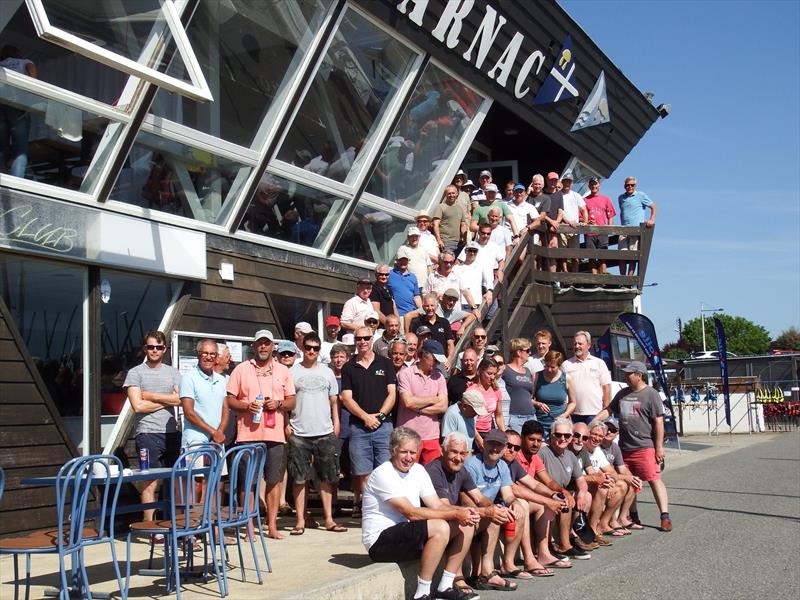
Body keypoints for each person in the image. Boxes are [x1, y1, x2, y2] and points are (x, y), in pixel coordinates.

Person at [362, 427, 480, 600]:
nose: (409, 457)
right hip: (380, 542)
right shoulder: (383, 474)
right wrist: (455, 514)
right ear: (393, 450)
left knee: (466, 525)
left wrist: (464, 512)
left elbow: (437, 505)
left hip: (407, 535)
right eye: (404, 452)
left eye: (413, 452)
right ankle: (422, 593)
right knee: (440, 527)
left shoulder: (418, 470)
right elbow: (411, 513)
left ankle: (445, 586)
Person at [226, 329, 296, 540]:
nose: (263, 347)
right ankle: (248, 527)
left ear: (273, 346)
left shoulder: (283, 370)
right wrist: (247, 407)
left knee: (273, 480)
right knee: (248, 482)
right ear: (254, 346)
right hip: (248, 434)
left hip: (275, 435)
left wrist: (280, 403)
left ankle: (272, 526)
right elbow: (230, 400)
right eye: (260, 343)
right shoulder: (240, 369)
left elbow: (292, 400)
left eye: (267, 343)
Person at [595, 360, 672, 532]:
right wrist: (593, 421)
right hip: (624, 447)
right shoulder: (623, 394)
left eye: (629, 373)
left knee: (653, 479)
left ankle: (664, 516)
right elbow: (609, 409)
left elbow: (659, 422)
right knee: (631, 482)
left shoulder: (651, 394)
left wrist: (659, 447)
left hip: (645, 446)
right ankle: (632, 515)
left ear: (639, 375)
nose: (626, 376)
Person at [288, 332, 346, 534]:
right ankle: (300, 520)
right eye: (308, 347)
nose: (312, 351)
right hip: (299, 431)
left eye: (315, 348)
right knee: (299, 478)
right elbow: (287, 401)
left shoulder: (327, 372)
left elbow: (334, 400)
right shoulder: (292, 372)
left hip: (324, 430)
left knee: (327, 477)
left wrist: (336, 422)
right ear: (302, 348)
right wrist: (287, 424)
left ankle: (329, 519)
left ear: (320, 350)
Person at [123, 330, 181, 522]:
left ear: (164, 349)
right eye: (150, 347)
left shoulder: (173, 372)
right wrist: (168, 400)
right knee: (150, 482)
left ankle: (170, 521)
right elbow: (138, 406)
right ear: (144, 348)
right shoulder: (135, 373)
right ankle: (150, 526)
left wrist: (153, 396)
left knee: (173, 481)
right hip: (147, 433)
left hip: (171, 432)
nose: (154, 350)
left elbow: (181, 399)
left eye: (158, 347)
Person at [340, 326, 397, 518]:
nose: (362, 341)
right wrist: (366, 417)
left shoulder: (386, 363)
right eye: (359, 338)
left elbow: (392, 393)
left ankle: (386, 511)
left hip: (384, 425)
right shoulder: (348, 367)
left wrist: (379, 416)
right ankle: (371, 512)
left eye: (366, 338)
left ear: (372, 339)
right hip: (358, 427)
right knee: (362, 473)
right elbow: (346, 398)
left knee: (386, 470)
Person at [462, 429, 523, 591]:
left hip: (486, 511)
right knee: (494, 515)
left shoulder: (502, 466)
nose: (494, 449)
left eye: (499, 445)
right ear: (483, 444)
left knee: (519, 507)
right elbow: (468, 499)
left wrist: (515, 503)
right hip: (468, 511)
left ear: (504, 449)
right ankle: (484, 572)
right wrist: (492, 509)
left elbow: (508, 495)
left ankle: (495, 568)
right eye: (491, 444)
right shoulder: (471, 464)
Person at [512, 422, 572, 570]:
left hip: (528, 498)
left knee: (556, 499)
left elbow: (547, 482)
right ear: (522, 438)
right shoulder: (514, 455)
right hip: (514, 501)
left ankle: (545, 552)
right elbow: (517, 489)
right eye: (531, 439)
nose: (535, 444)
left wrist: (561, 492)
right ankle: (529, 559)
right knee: (532, 504)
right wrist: (547, 499)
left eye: (539, 440)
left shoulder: (535, 458)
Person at [537, 418, 593, 560]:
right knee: (564, 500)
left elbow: (581, 480)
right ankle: (562, 545)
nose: (562, 438)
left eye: (567, 436)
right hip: (545, 492)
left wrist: (581, 493)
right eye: (558, 435)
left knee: (584, 496)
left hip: (561, 492)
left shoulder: (570, 456)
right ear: (552, 435)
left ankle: (573, 536)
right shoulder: (543, 453)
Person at [396, 340, 449, 464]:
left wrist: (419, 409)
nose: (437, 363)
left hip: (432, 436)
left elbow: (443, 406)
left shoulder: (439, 377)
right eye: (434, 359)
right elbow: (408, 402)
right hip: (407, 435)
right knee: (407, 473)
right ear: (425, 355)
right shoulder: (405, 374)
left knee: (432, 475)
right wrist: (434, 399)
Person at [599, 418, 644, 531]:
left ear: (617, 433)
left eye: (612, 430)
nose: (609, 432)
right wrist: (625, 477)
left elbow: (622, 468)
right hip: (602, 478)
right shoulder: (597, 446)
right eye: (607, 429)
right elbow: (601, 472)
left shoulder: (615, 447)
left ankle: (622, 518)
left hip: (612, 476)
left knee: (634, 482)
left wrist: (633, 478)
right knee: (621, 484)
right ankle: (609, 521)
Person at [0, 45, 37, 178]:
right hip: (17, 105)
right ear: (18, 53)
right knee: (20, 150)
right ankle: (16, 185)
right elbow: (32, 73)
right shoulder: (24, 62)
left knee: (1, 147)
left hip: (1, 106)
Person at [562, 331, 611, 424]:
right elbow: (562, 389)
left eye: (580, 343)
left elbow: (606, 388)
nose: (576, 346)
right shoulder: (566, 364)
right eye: (575, 343)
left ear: (588, 345)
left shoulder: (599, 363)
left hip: (595, 414)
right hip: (573, 414)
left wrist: (605, 411)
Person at [618, 176, 656, 275]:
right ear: (624, 186)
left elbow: (653, 206)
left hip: (636, 230)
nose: (630, 187)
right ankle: (622, 280)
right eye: (628, 185)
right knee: (621, 255)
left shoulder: (641, 195)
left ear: (635, 186)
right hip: (623, 230)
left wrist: (651, 219)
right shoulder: (621, 198)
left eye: (632, 185)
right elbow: (622, 212)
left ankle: (629, 279)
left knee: (633, 256)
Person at [533, 350, 576, 435]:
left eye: (553, 367)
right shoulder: (537, 376)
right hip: (541, 422)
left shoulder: (567, 379)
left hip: (559, 425)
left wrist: (564, 415)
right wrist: (538, 404)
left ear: (559, 366)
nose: (549, 370)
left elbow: (573, 402)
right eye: (547, 366)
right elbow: (529, 399)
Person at [468, 359, 505, 452]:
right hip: (473, 432)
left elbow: (499, 415)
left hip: (488, 431)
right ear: (480, 371)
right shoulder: (472, 390)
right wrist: (478, 439)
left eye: (494, 374)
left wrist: (504, 434)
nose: (492, 377)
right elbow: (468, 418)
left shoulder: (496, 390)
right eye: (489, 373)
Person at [409, 293, 455, 367]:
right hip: (423, 361)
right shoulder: (417, 323)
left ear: (436, 306)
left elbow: (450, 344)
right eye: (427, 306)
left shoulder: (444, 322)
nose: (430, 308)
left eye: (432, 305)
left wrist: (449, 360)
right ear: (423, 307)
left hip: (441, 361)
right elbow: (414, 344)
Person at [583, 178, 616, 274]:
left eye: (595, 184)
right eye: (592, 184)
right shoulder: (584, 200)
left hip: (602, 232)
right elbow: (580, 217)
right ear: (589, 186)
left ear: (599, 186)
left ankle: (602, 281)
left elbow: (610, 215)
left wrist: (609, 229)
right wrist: (586, 222)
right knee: (591, 258)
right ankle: (594, 282)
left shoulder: (605, 199)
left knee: (602, 257)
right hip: (589, 233)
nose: (594, 186)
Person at [503, 338, 536, 433]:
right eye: (527, 350)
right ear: (518, 352)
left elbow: (528, 395)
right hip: (514, 417)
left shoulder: (528, 371)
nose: (529, 353)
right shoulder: (505, 369)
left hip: (531, 415)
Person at [558, 172, 588, 272]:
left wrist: (585, 222)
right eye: (565, 181)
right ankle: (566, 276)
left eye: (569, 182)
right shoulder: (558, 195)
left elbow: (584, 209)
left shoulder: (576, 195)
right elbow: (560, 212)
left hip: (574, 228)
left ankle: (574, 278)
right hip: (562, 227)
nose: (567, 183)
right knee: (563, 255)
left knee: (575, 255)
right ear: (562, 182)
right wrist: (568, 221)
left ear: (572, 183)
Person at [453, 242, 492, 315]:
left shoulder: (481, 266)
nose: (472, 253)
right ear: (465, 251)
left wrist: (489, 291)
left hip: (477, 302)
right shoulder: (456, 268)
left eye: (475, 251)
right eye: (470, 250)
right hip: (461, 303)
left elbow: (488, 280)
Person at [388, 248, 422, 325]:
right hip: (398, 315)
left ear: (408, 261)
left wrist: (421, 310)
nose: (403, 262)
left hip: (413, 314)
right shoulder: (389, 274)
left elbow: (416, 296)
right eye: (401, 260)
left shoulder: (412, 276)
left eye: (405, 260)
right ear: (397, 261)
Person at [432, 185, 468, 255]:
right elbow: (435, 225)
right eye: (449, 193)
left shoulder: (459, 208)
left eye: (453, 193)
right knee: (447, 263)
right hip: (446, 242)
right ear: (446, 195)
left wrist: (464, 238)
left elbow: (463, 225)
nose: (451, 195)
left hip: (458, 243)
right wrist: (439, 240)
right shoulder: (441, 207)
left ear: (457, 193)